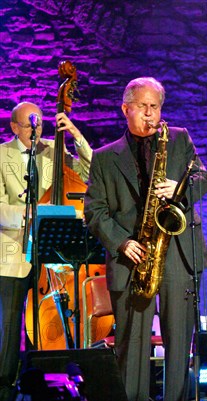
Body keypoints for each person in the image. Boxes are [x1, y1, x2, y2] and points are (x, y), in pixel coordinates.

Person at [84, 77, 207, 401]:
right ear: (126, 108)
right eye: (143, 107)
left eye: (155, 107)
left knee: (180, 346)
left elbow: (202, 177)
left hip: (177, 256)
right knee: (132, 349)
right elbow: (94, 211)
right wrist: (122, 242)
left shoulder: (178, 139)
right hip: (133, 257)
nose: (150, 114)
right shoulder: (104, 157)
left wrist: (178, 190)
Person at [0, 101, 92, 401]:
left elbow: (91, 171)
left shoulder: (56, 149)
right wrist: (29, 213)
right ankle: (6, 386)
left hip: (52, 255)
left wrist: (76, 136)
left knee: (54, 319)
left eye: (39, 126)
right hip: (13, 255)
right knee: (10, 325)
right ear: (14, 127)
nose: (36, 132)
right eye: (29, 126)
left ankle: (53, 384)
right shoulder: (1, 155)